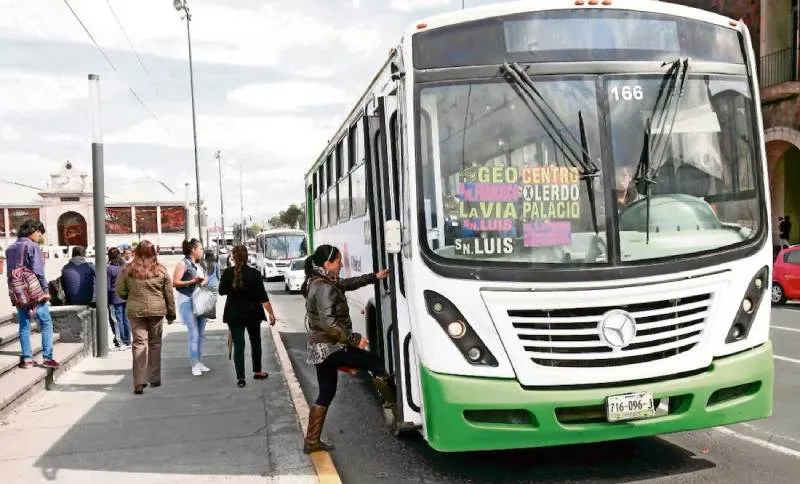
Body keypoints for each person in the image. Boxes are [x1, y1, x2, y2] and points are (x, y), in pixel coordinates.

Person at [301, 244, 394, 454]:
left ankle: (311, 442)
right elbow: (329, 323)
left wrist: (374, 276)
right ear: (328, 264)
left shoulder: (322, 281)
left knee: (326, 392)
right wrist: (354, 339)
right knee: (375, 363)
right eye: (338, 261)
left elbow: (346, 284)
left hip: (319, 349)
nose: (341, 264)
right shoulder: (324, 287)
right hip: (330, 348)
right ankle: (393, 409)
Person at [116, 240, 176, 394]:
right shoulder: (161, 270)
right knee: (155, 343)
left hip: (136, 311)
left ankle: (139, 381)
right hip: (156, 311)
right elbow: (168, 294)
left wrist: (131, 296)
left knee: (139, 344)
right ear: (153, 253)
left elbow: (120, 291)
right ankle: (154, 378)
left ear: (136, 252)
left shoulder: (128, 270)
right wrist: (171, 313)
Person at [5, 219, 60, 369]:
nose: (40, 236)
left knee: (24, 324)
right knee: (45, 323)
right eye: (39, 233)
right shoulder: (32, 246)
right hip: (34, 291)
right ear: (33, 231)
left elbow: (10, 273)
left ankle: (28, 358)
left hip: (18, 292)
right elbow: (39, 272)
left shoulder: (10, 248)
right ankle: (47, 357)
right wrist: (46, 291)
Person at [219, 245, 276, 387]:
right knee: (256, 342)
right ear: (247, 257)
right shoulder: (254, 274)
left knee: (239, 345)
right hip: (253, 314)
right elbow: (263, 297)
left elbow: (221, 291)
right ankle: (257, 371)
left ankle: (241, 378)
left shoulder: (227, 273)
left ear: (233, 256)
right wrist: (271, 314)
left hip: (234, 314)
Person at [173, 238, 210, 376]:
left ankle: (199, 361)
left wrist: (204, 281)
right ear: (193, 249)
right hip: (187, 300)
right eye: (200, 248)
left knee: (200, 333)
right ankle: (194, 363)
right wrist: (193, 281)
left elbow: (205, 279)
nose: (201, 251)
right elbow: (175, 282)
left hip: (200, 300)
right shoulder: (183, 263)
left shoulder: (200, 265)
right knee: (194, 333)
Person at [107, 247, 131, 350]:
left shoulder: (109, 269)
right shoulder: (125, 267)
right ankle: (128, 340)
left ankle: (120, 341)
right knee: (126, 319)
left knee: (117, 320)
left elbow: (107, 286)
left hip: (114, 297)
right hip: (126, 296)